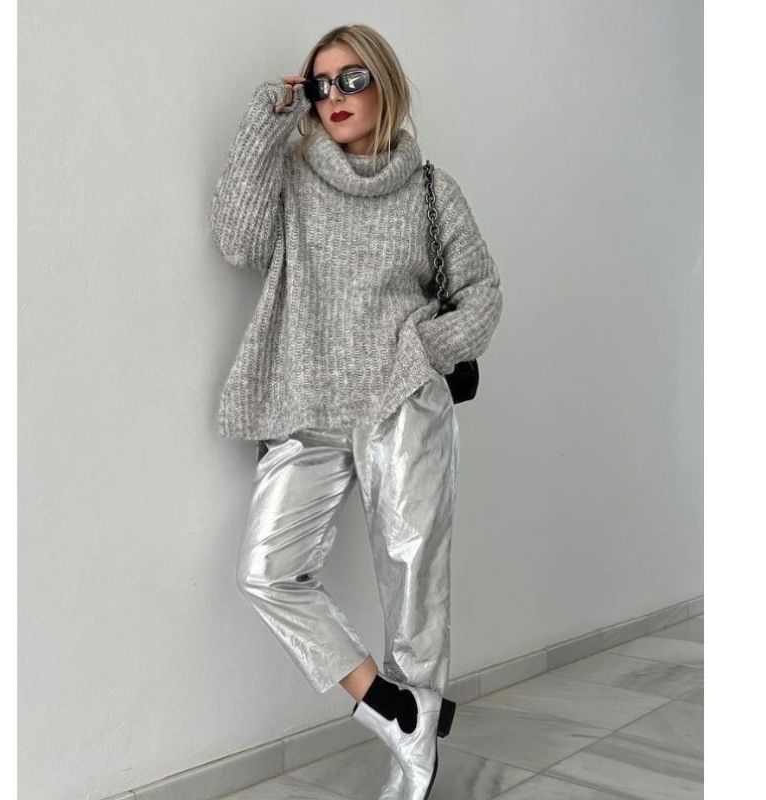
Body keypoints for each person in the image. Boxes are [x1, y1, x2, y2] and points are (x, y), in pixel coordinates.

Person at [209, 23, 503, 800]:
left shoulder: (432, 191)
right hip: (306, 405)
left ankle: (414, 763)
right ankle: (395, 710)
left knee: (414, 583)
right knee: (267, 572)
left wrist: (424, 350)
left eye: (352, 79)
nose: (335, 95)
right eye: (321, 83)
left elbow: (482, 292)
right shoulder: (294, 178)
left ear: (384, 82)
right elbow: (235, 241)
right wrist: (267, 119)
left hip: (402, 401)